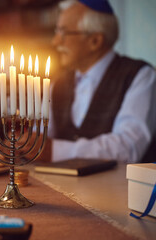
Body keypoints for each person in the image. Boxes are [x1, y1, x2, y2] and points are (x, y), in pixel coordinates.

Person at [42, 0, 156, 163]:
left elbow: (128, 148)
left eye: (63, 33)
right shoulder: (57, 83)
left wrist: (56, 150)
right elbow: (39, 139)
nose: (56, 42)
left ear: (95, 41)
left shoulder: (140, 76)